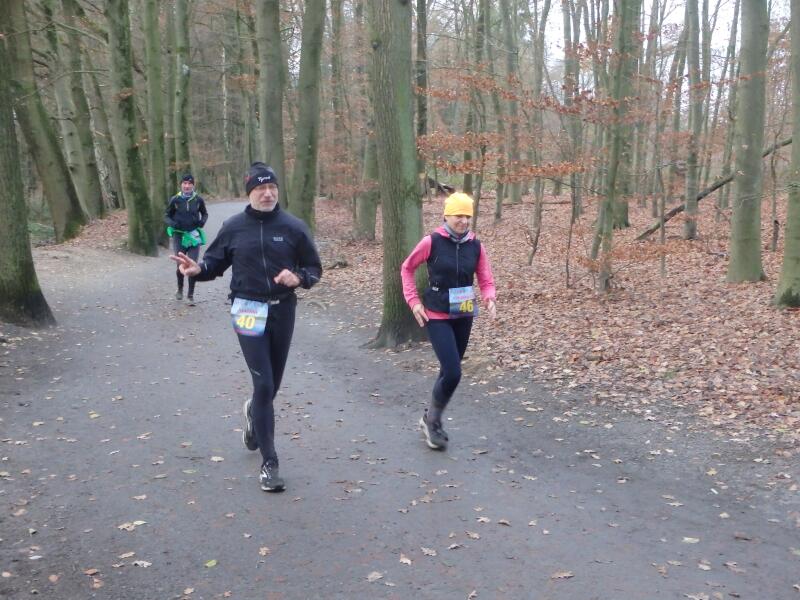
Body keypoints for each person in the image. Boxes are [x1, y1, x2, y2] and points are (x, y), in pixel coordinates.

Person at [170, 162, 321, 492]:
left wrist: (299, 278)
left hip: (283, 310)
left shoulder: (293, 227)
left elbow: (313, 268)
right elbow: (214, 263)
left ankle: (254, 412)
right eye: (260, 189)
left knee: (271, 386)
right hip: (247, 309)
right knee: (264, 384)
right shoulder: (234, 227)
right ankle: (270, 463)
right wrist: (198, 270)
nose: (267, 194)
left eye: (272, 188)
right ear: (249, 192)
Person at [400, 192, 497, 450]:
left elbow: (485, 278)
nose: (463, 221)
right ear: (446, 216)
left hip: (463, 312)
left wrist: (489, 297)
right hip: (436, 314)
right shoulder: (431, 242)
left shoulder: (476, 246)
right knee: (453, 371)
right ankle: (433, 421)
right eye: (458, 216)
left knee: (448, 371)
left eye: (467, 216)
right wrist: (413, 301)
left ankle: (430, 419)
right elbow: (407, 268)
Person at [164, 173, 208, 303]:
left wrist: (202, 222)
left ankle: (190, 295)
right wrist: (173, 224)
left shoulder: (198, 200)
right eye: (184, 183)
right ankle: (180, 289)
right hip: (179, 236)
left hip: (193, 235)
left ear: (193, 185)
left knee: (192, 265)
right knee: (180, 265)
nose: (187, 186)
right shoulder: (175, 200)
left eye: (189, 183)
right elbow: (166, 215)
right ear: (181, 185)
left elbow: (205, 213)